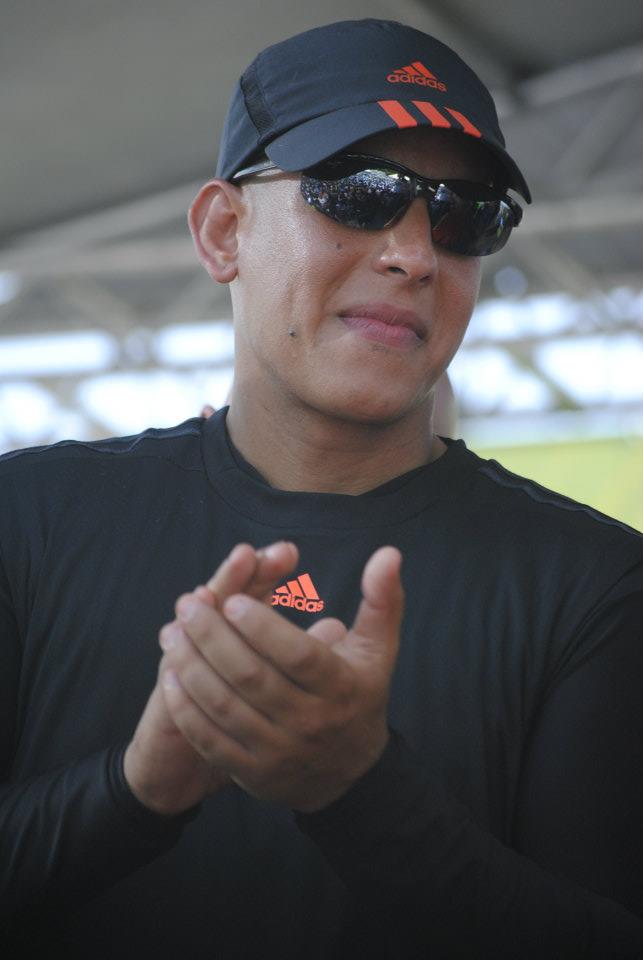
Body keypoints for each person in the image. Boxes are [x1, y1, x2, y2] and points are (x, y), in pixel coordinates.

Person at [1, 18, 641, 960]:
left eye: (466, 216)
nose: (413, 254)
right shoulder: (28, 522)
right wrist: (136, 788)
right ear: (223, 231)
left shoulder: (595, 586)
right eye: (358, 192)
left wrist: (358, 791)